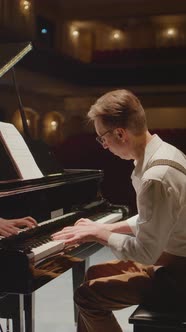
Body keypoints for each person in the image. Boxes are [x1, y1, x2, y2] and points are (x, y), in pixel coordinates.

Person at [52, 89, 186, 332]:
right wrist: (106, 227)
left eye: (102, 138)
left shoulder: (155, 177)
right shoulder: (164, 152)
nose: (103, 146)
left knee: (86, 296)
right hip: (173, 257)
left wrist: (98, 234)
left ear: (120, 133)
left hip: (178, 275)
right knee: (92, 274)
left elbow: (145, 252)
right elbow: (152, 219)